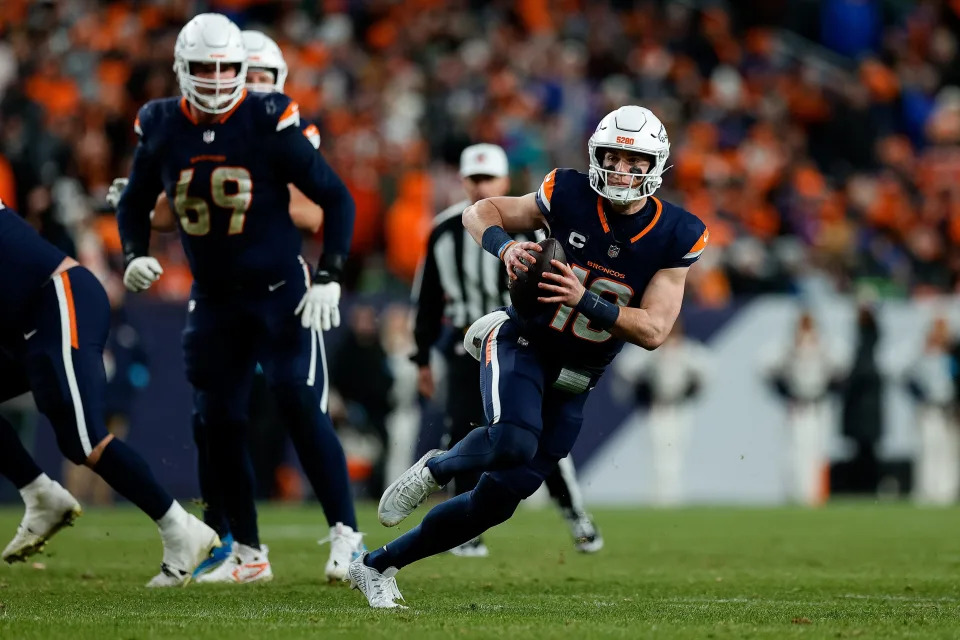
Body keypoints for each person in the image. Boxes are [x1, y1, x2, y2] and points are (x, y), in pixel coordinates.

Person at [348, 105, 708, 608]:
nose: (622, 171)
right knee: (513, 441)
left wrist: (586, 299)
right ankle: (437, 467)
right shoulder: (569, 191)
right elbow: (482, 211)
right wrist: (502, 247)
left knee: (492, 506)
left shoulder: (678, 232)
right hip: (524, 341)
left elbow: (654, 330)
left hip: (579, 376)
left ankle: (375, 565)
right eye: (612, 157)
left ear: (656, 166)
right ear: (595, 156)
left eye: (635, 161)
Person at [115, 14, 362, 585]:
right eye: (209, 67)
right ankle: (246, 551)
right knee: (216, 419)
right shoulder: (159, 122)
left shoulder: (269, 116)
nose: (225, 77)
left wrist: (330, 274)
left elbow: (333, 199)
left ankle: (347, 536)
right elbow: (138, 201)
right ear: (183, 69)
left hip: (280, 292)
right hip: (215, 297)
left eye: (233, 67)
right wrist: (132, 252)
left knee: (298, 400)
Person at [0, 201, 219, 586]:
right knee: (74, 438)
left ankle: (180, 526)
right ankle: (41, 494)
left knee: (83, 438)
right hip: (24, 326)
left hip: (58, 298)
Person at [412, 143, 602, 557]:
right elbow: (427, 299)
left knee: (533, 433)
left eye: (489, 178)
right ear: (462, 181)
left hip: (522, 338)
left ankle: (573, 512)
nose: (481, 185)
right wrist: (422, 356)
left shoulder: (533, 227)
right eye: (474, 178)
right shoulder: (444, 229)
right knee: (464, 429)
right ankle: (466, 530)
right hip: (467, 344)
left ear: (504, 182)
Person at [612, 321, 709, 506]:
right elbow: (626, 369)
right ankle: (659, 496)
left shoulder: (689, 351)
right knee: (657, 453)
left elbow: (706, 372)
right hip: (656, 407)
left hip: (680, 407)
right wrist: (643, 390)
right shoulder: (649, 351)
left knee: (677, 451)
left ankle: (673, 494)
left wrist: (691, 391)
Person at [906, 315, 958, 504]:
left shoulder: (952, 357)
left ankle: (946, 490)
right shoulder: (923, 357)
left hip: (948, 410)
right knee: (928, 448)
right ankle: (926, 489)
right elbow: (910, 381)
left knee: (947, 450)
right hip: (929, 410)